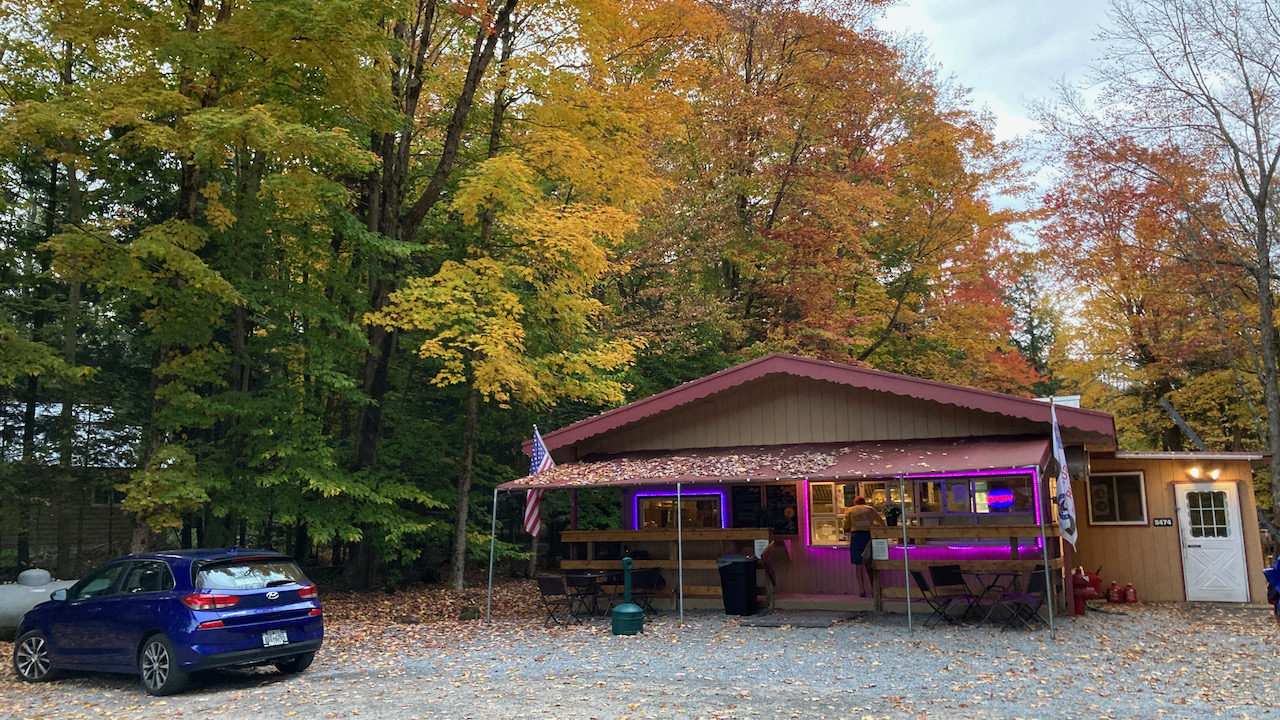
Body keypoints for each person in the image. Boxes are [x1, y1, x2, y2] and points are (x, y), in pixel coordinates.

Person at [843, 496, 885, 598]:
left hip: (856, 537)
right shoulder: (870, 509)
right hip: (868, 536)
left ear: (855, 502)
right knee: (870, 563)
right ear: (864, 502)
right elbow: (881, 523)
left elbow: (846, 526)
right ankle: (874, 589)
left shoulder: (850, 510)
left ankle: (862, 590)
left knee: (858, 565)